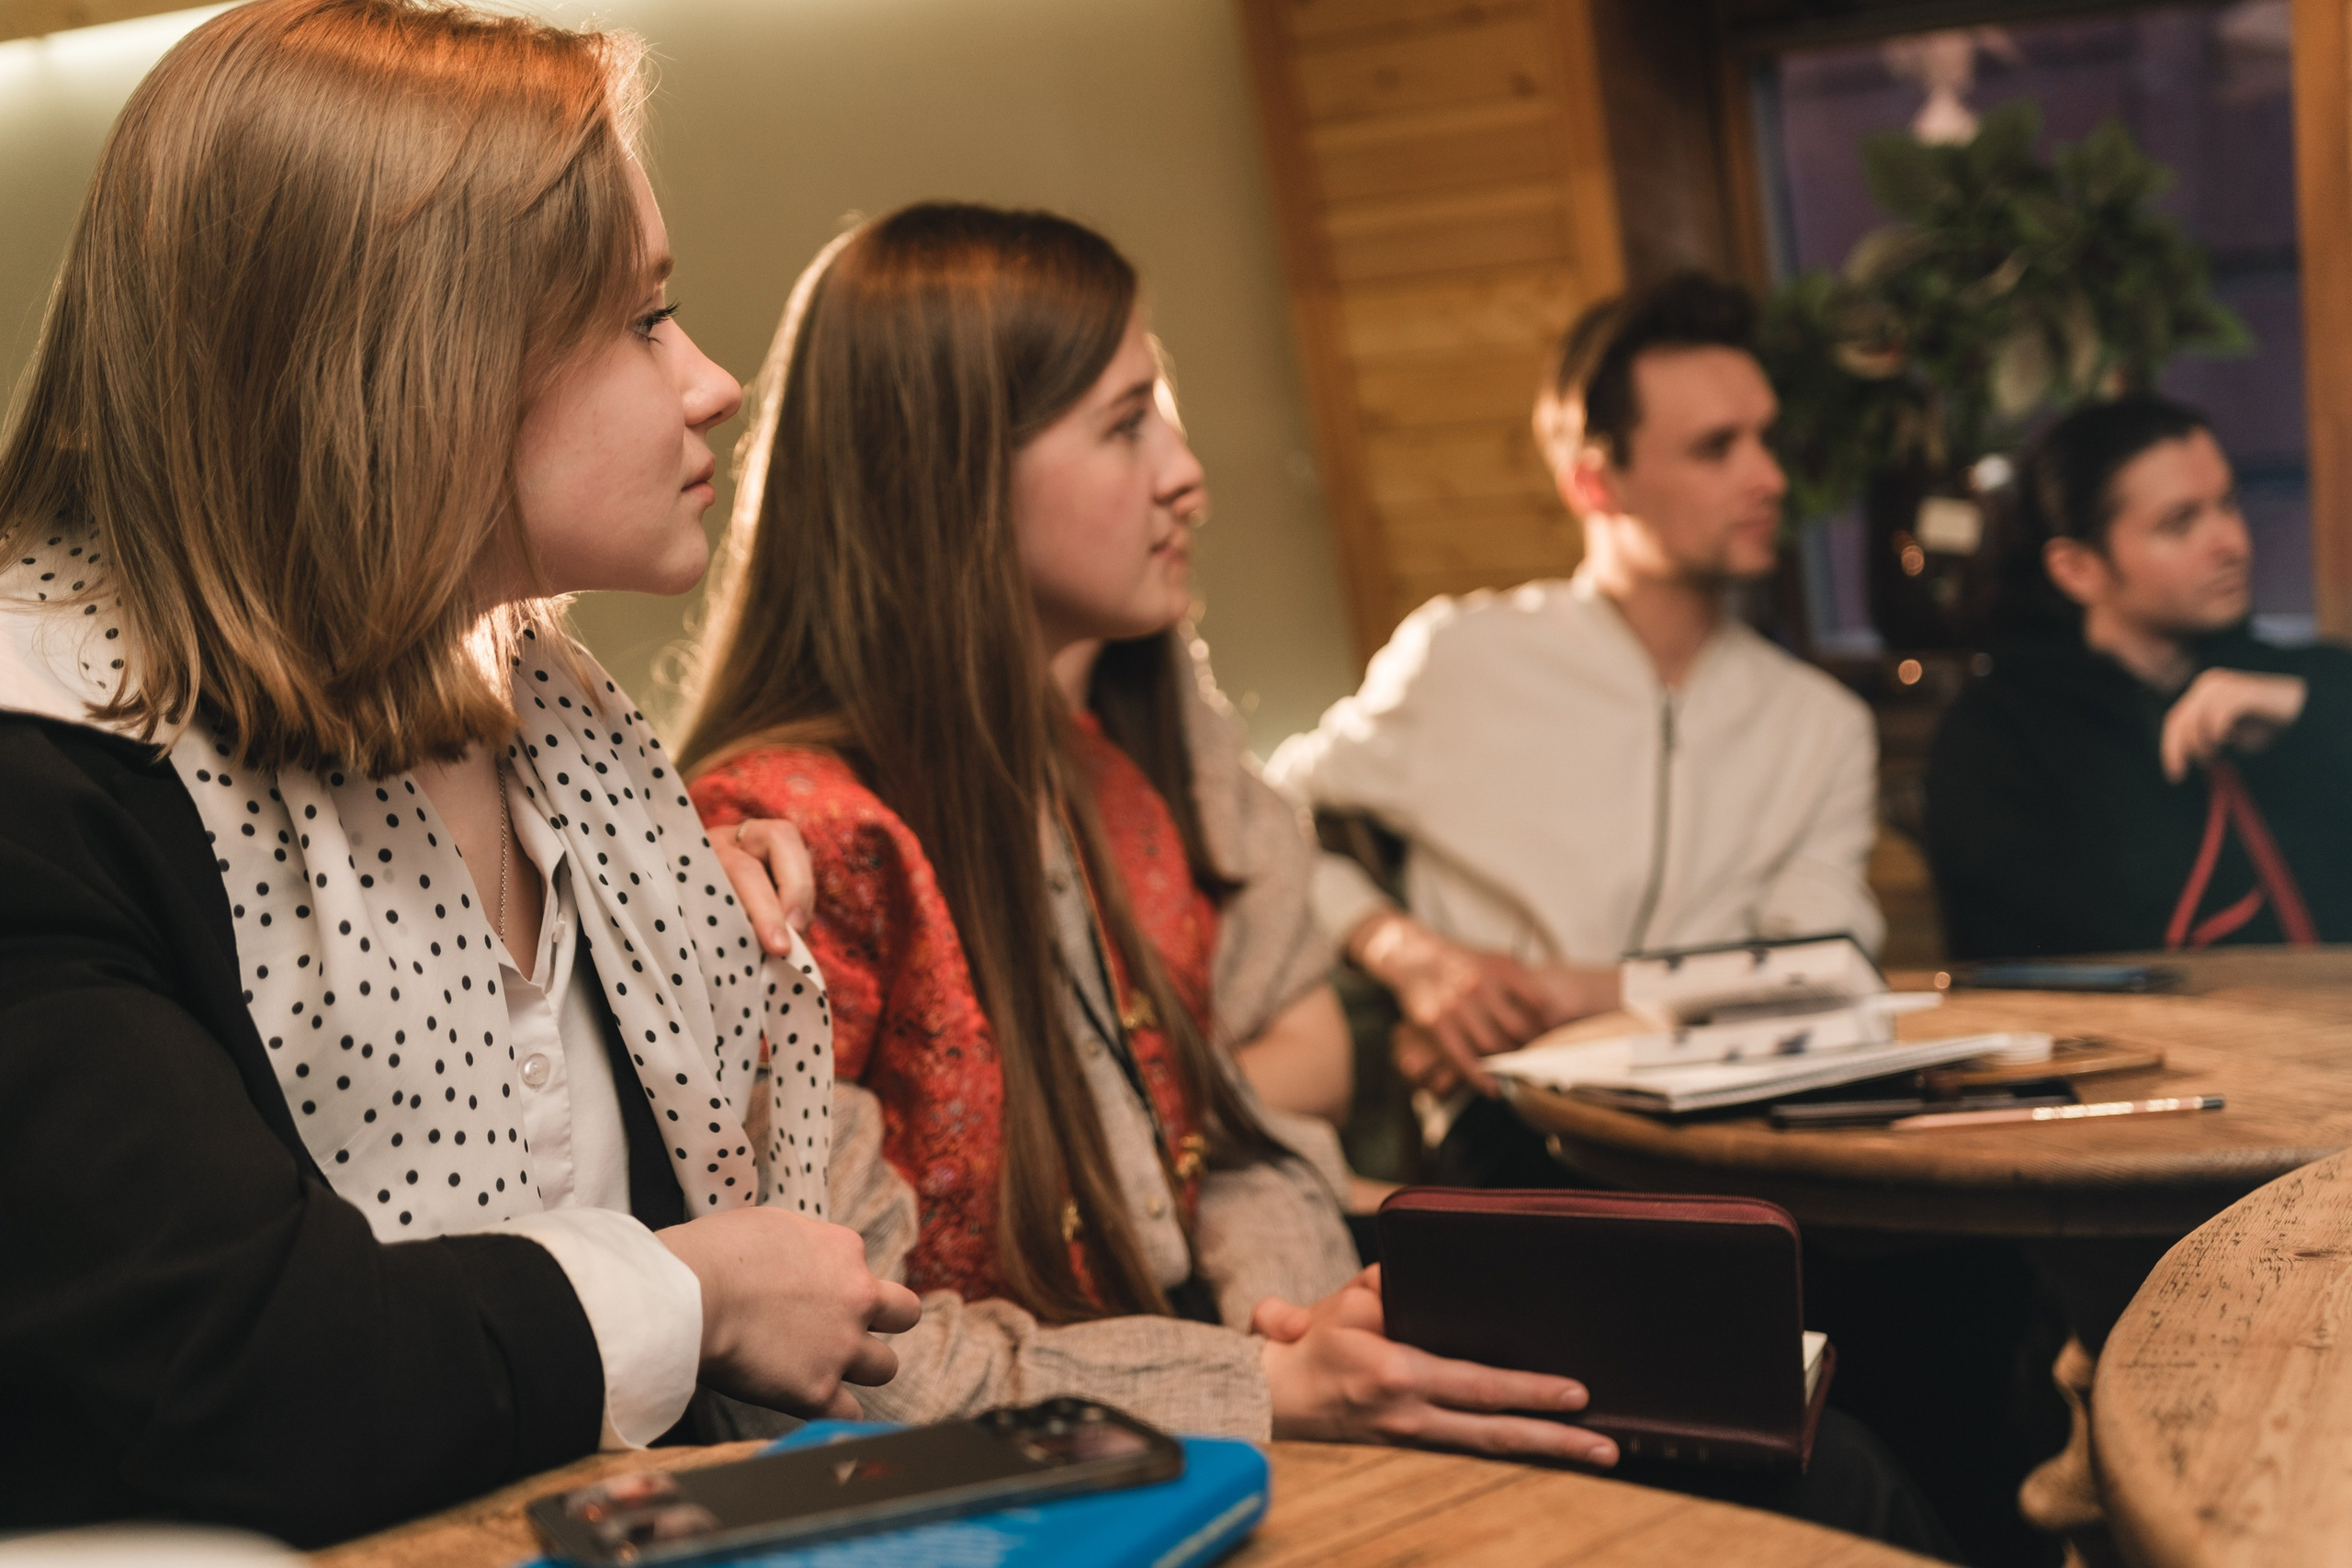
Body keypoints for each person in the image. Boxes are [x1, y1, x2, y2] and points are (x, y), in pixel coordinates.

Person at [680, 206, 1954, 1558]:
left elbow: (1232, 1142)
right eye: (1128, 424)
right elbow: (838, 1359)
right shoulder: (794, 845)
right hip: (1061, 1483)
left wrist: (1302, 1336)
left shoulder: (1118, 764)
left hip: (1233, 1375)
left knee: (1828, 1440)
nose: (1189, 474)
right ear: (949, 476)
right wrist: (1272, 1375)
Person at [0, 0, 916, 1545]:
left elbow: (836, 1254)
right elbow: (248, 1378)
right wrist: (689, 1292)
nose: (712, 384)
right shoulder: (49, 781)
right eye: (641, 321)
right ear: (410, 364)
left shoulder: (560, 725)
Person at [1263, 272, 1883, 1185]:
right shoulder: (1462, 656)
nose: (1769, 477)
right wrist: (1409, 956)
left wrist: (1570, 998)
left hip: (1749, 1125)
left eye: (1765, 437)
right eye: (1716, 448)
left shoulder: (1820, 725)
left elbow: (1821, 968)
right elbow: (1263, 815)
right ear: (1596, 482)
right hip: (1516, 1127)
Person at [1927, 395, 2352, 960]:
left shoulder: (2303, 684)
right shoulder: (1999, 738)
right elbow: (2034, 962)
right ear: (2077, 568)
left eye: (2228, 504)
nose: (2230, 543)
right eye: (2181, 523)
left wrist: (2307, 711)